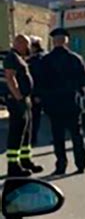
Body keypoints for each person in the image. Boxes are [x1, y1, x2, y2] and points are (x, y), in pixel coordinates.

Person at [40, 28, 85, 175]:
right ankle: (80, 164)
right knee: (76, 134)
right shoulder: (76, 59)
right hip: (71, 102)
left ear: (54, 41)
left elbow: (41, 82)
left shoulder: (46, 60)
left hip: (54, 103)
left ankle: (61, 165)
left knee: (58, 136)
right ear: (67, 41)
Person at [4, 35, 43, 177]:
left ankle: (25, 160)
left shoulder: (20, 57)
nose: (28, 48)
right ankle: (13, 166)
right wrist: (18, 96)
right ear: (18, 43)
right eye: (26, 45)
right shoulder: (11, 57)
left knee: (26, 132)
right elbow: (10, 77)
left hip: (25, 99)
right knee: (17, 131)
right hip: (17, 101)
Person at [27, 36, 46, 146]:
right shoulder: (46, 57)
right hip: (50, 92)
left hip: (37, 93)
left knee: (35, 117)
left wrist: (37, 94)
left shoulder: (35, 60)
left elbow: (37, 78)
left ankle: (32, 139)